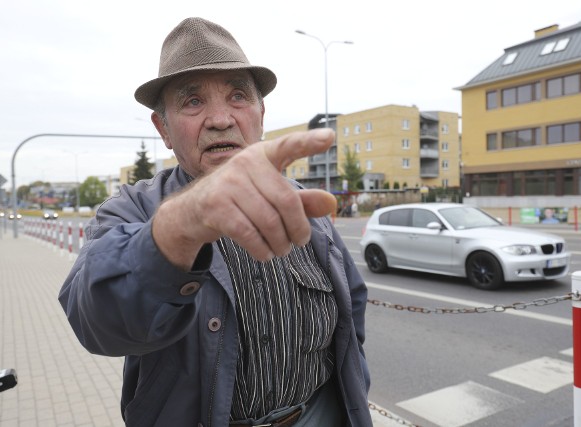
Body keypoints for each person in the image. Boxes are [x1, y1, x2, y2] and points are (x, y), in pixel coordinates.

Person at [58, 17, 372, 427]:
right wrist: (185, 221)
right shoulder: (132, 209)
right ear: (164, 128)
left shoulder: (300, 204)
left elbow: (351, 323)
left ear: (261, 113)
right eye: (193, 102)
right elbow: (96, 321)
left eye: (238, 96)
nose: (220, 119)